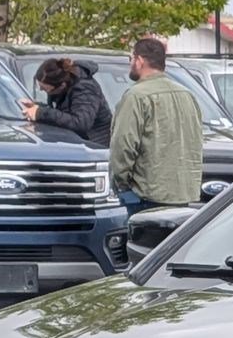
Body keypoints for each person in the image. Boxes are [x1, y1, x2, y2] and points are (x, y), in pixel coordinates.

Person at [106, 37, 203, 210]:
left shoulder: (136, 96)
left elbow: (123, 145)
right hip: (183, 194)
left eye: (131, 59)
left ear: (140, 60)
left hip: (147, 195)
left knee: (145, 237)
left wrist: (121, 185)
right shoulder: (187, 95)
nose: (130, 64)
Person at [19, 56, 112, 148]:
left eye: (45, 89)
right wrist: (36, 107)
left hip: (94, 147)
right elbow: (63, 112)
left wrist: (41, 113)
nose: (41, 89)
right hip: (76, 143)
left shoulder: (85, 88)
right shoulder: (66, 86)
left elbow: (81, 123)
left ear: (62, 86)